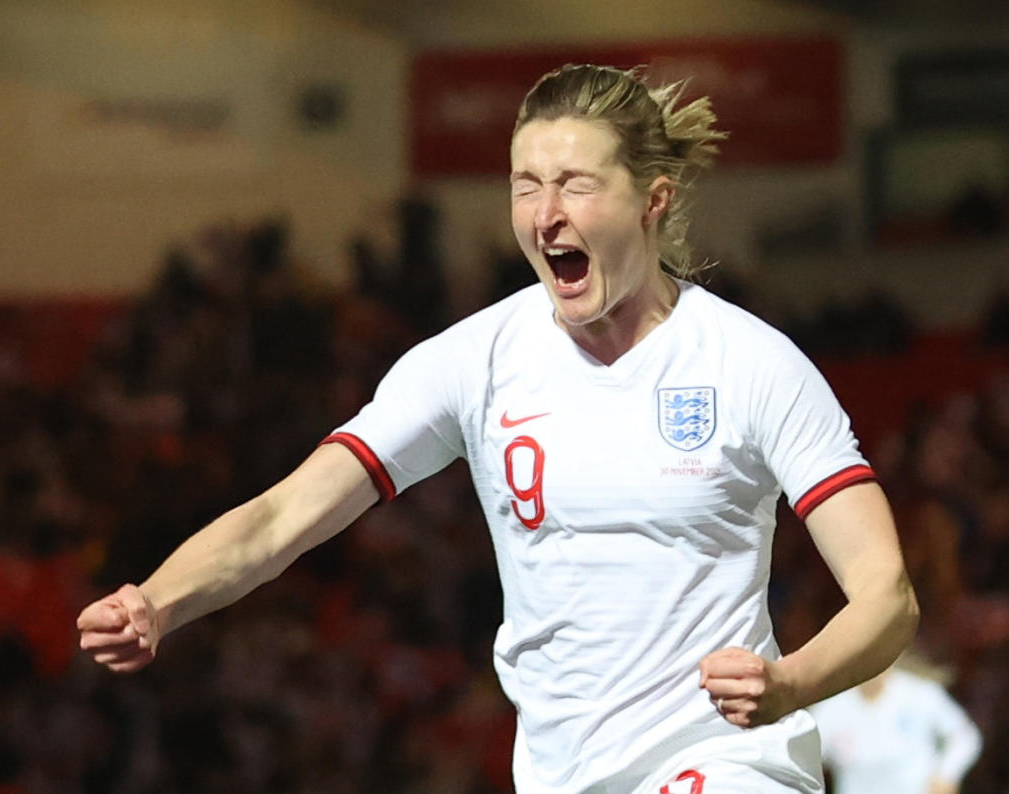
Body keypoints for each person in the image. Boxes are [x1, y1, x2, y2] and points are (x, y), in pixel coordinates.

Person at [77, 63, 918, 794]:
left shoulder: (750, 364)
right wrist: (156, 600)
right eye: (525, 185)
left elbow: (885, 594)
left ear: (652, 202)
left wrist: (789, 682)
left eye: (577, 185)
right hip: (559, 771)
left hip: (728, 760)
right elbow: (282, 515)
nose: (545, 214)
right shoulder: (473, 362)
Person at [810, 654, 983, 794]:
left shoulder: (919, 694)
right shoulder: (831, 708)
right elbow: (802, 758)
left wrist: (946, 775)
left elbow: (964, 735)